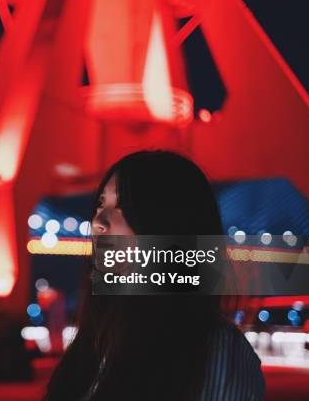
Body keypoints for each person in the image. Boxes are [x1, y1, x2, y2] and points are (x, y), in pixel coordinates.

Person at [44, 151, 265, 400]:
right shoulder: (98, 340)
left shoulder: (219, 351)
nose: (99, 222)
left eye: (122, 207)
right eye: (100, 204)